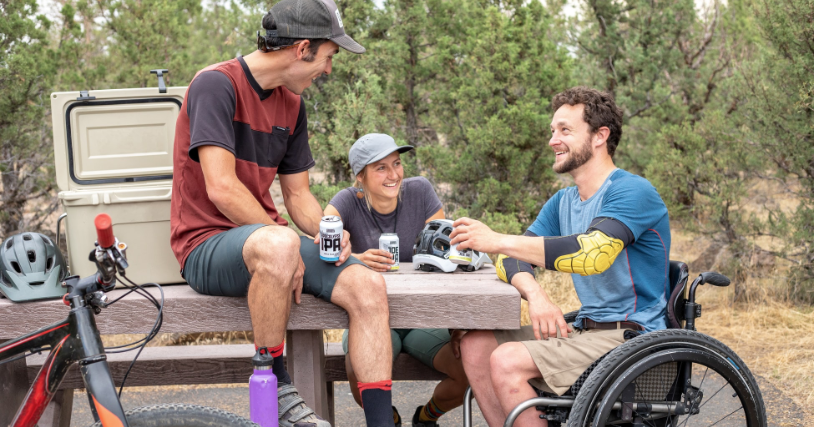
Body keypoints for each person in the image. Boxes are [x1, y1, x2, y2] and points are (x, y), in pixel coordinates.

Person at [169, 1, 397, 425]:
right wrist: (287, 243)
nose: (328, 69)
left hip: (267, 241)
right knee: (278, 243)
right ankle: (276, 386)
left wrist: (331, 229)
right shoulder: (215, 85)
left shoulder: (292, 105)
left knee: (368, 287)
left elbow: (297, 196)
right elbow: (220, 188)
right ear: (303, 48)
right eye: (329, 57)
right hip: (205, 246)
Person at [450, 87, 671, 427]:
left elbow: (591, 254)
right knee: (476, 342)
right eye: (553, 131)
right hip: (585, 329)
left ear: (600, 136)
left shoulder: (632, 191)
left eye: (565, 130)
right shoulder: (563, 202)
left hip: (631, 337)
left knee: (508, 360)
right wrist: (536, 295)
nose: (553, 140)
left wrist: (496, 239)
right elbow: (509, 260)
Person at [324, 134, 469, 427]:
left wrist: (456, 325)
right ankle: (389, 421)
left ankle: (426, 417)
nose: (394, 175)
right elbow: (322, 244)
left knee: (472, 369)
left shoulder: (421, 191)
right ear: (360, 176)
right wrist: (354, 260)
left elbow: (443, 261)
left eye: (397, 163)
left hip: (422, 319)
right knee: (358, 374)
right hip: (368, 318)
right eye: (381, 168)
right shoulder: (346, 201)